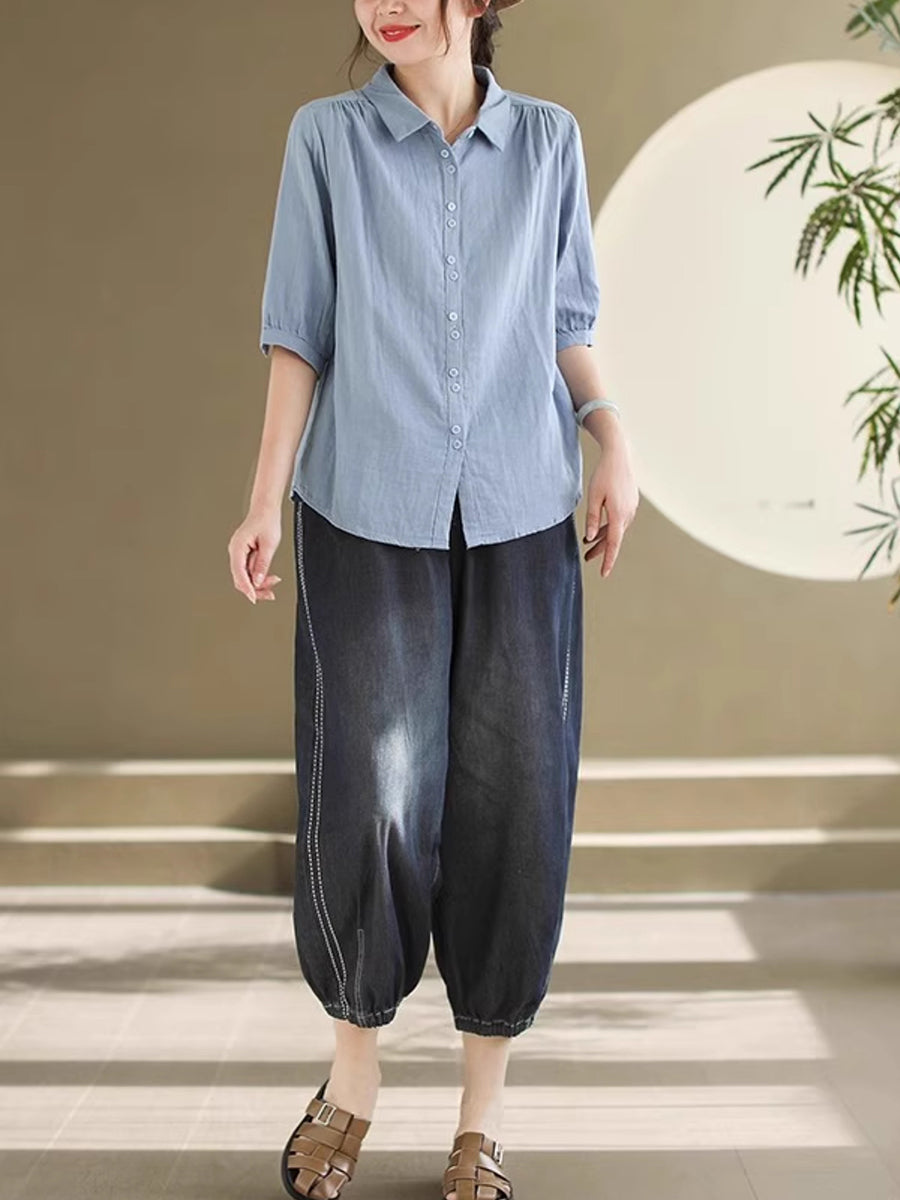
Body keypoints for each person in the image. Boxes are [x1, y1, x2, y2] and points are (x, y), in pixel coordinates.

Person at [227, 1, 639, 1196]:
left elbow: (566, 322)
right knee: (369, 800)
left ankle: (481, 1117)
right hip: (365, 506)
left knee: (516, 798)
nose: (387, 4)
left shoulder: (549, 141)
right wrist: (262, 500)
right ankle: (351, 1083)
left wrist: (613, 438)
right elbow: (297, 332)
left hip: (522, 511)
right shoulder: (327, 139)